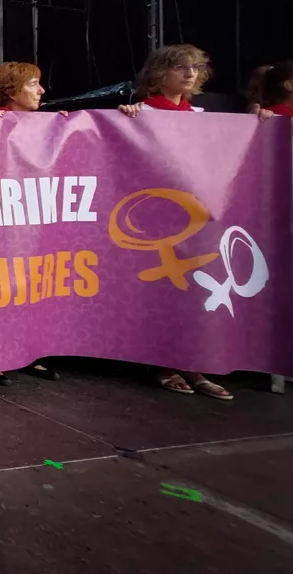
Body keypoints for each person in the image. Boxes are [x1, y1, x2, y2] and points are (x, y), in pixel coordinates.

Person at [117, 45, 232, 401]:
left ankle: (191, 363)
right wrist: (126, 118)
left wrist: (264, 121)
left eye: (195, 67)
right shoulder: (141, 113)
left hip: (198, 218)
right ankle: (162, 363)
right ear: (159, 74)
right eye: (180, 67)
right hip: (155, 220)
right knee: (162, 294)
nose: (190, 73)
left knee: (194, 294)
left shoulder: (203, 117)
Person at [0, 61, 63, 384]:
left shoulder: (48, 126)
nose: (41, 91)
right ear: (11, 91)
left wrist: (69, 129)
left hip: (32, 223)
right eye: (32, 84)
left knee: (31, 285)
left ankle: (27, 351)